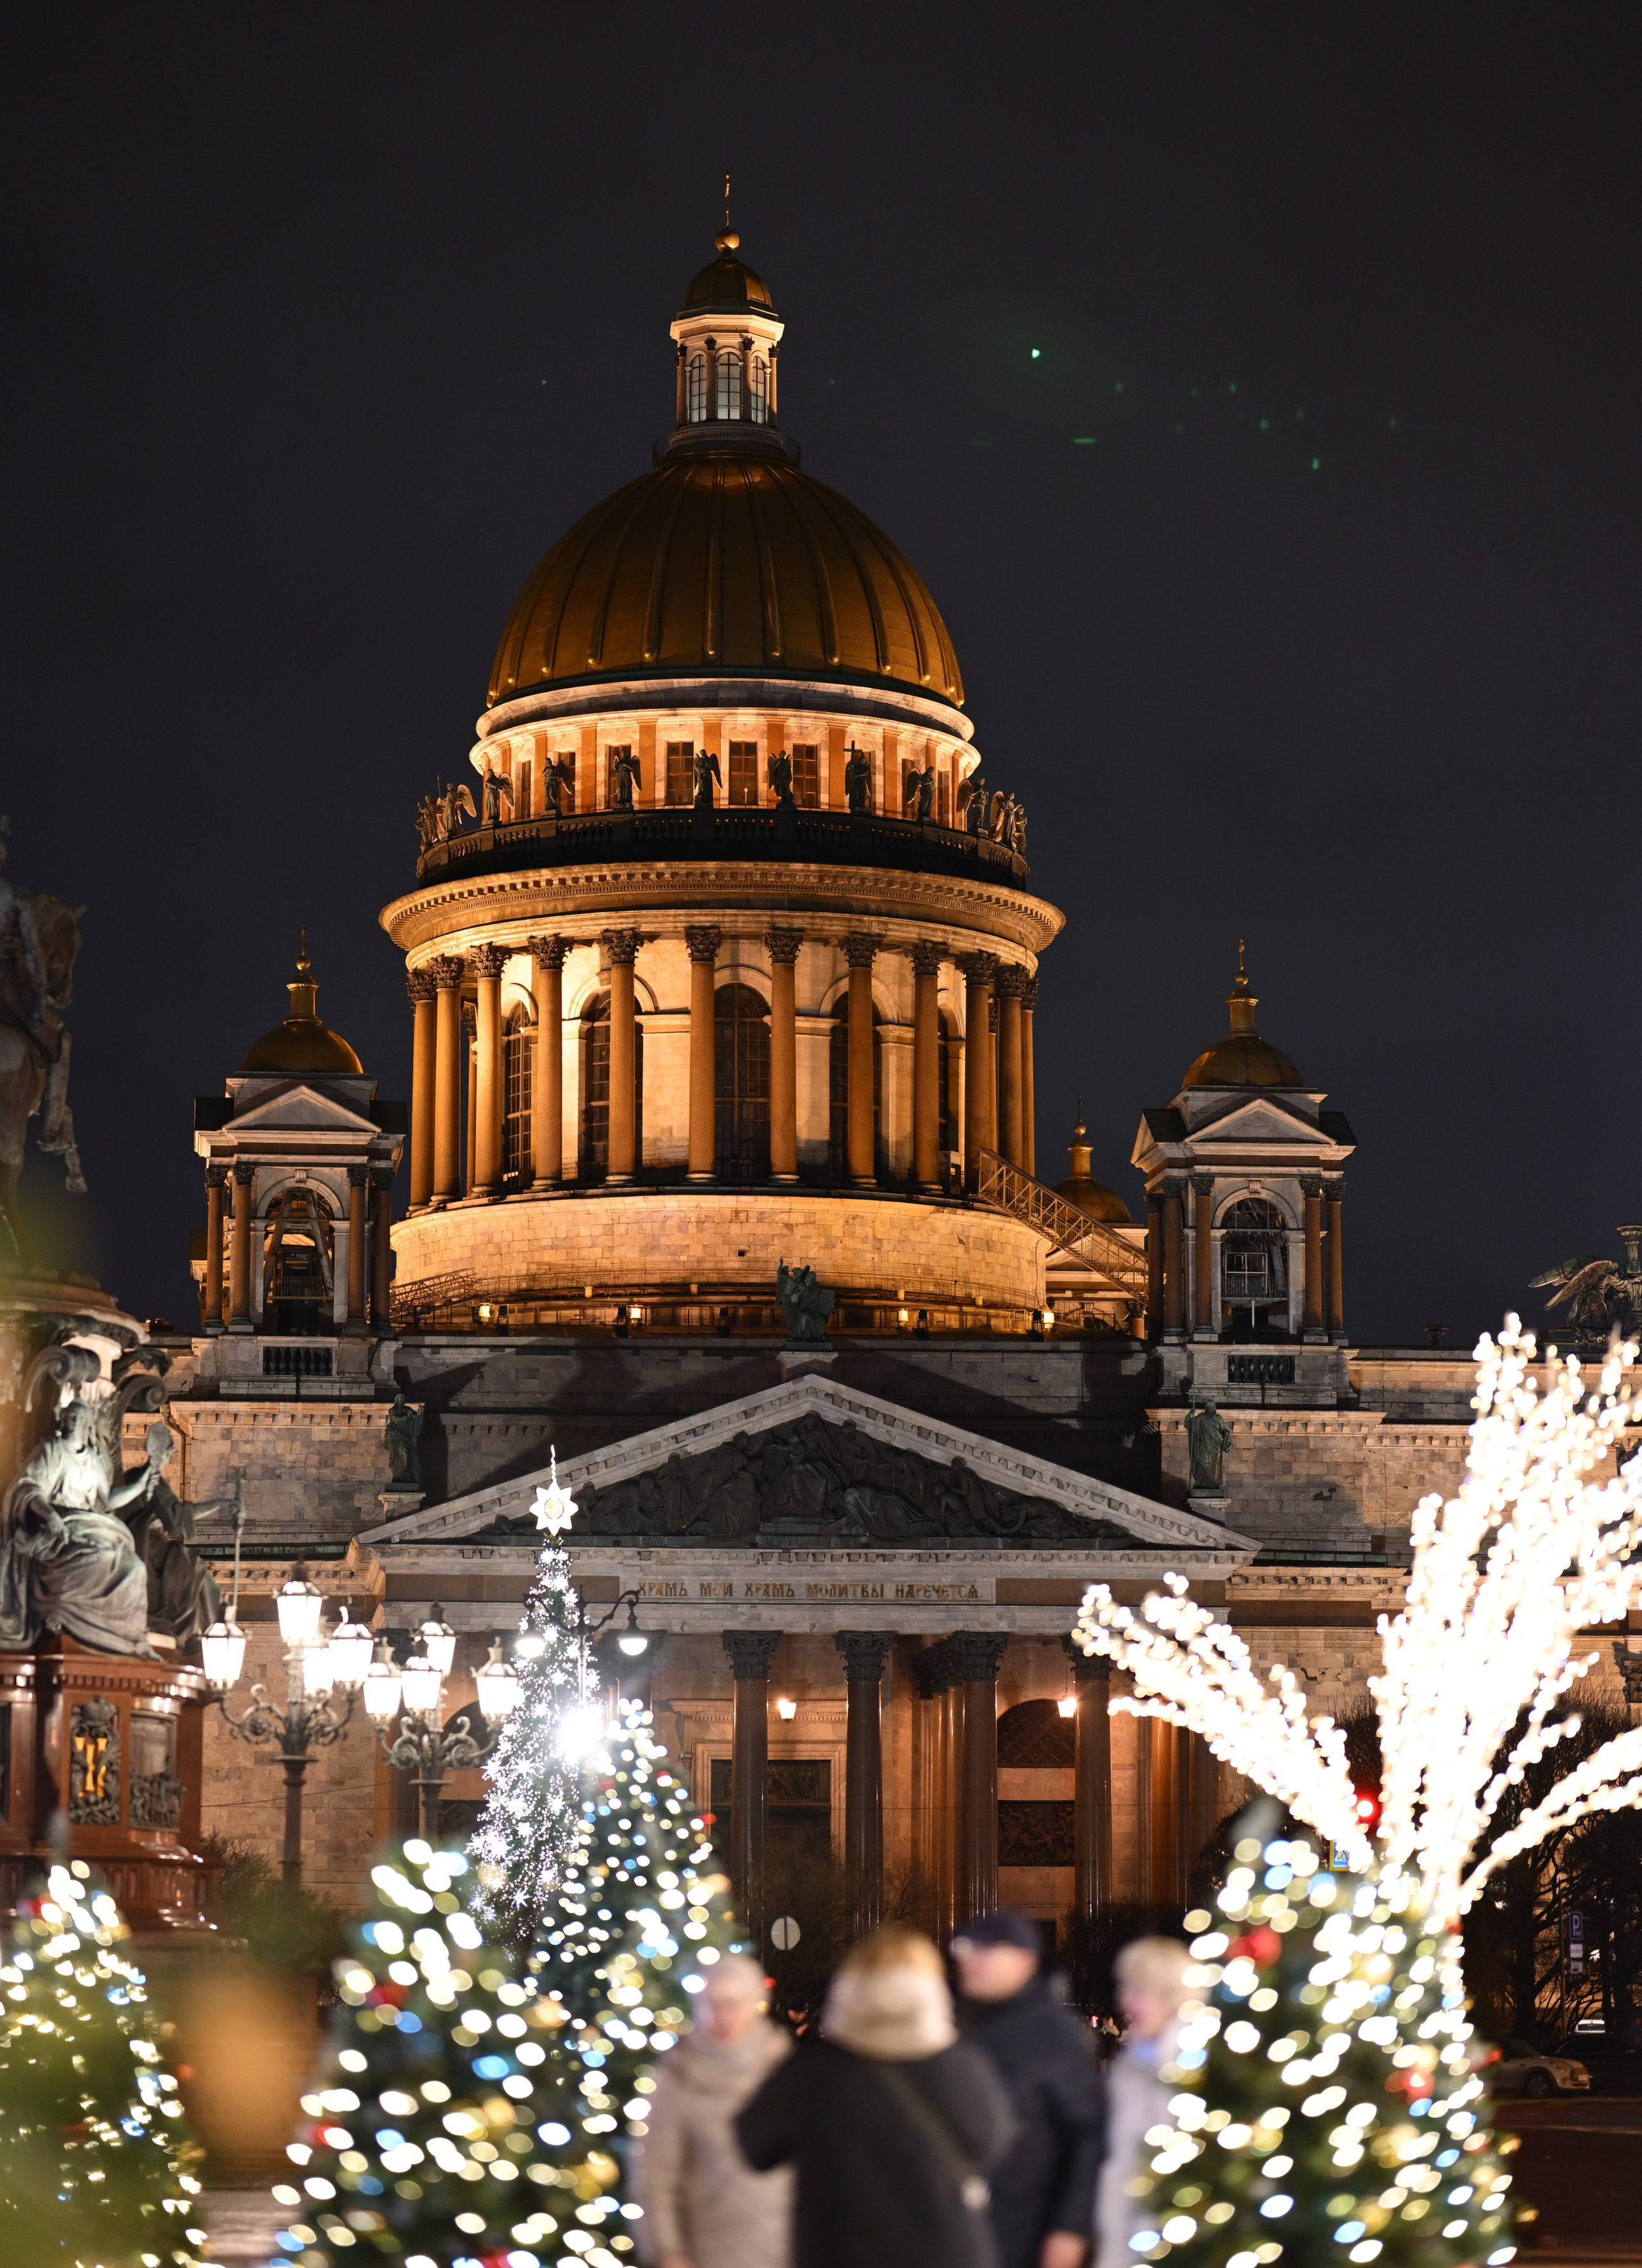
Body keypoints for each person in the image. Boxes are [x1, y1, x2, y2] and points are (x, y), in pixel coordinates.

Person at [736, 1923, 1017, 2268]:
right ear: (932, 1987)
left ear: (850, 1984)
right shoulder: (964, 2067)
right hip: (944, 2251)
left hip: (839, 2251)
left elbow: (754, 2144)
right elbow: (995, 2144)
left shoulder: (813, 2071)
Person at [952, 1910, 1103, 2268]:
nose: (968, 1959)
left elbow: (1087, 2137)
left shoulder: (1055, 2034)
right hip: (967, 2231)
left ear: (1025, 1960)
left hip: (1027, 2233)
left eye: (983, 1950)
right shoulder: (963, 2025)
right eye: (964, 1948)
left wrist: (1069, 2230)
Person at [632, 1951, 792, 2268]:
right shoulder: (679, 2074)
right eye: (711, 2004)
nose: (722, 2015)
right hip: (706, 2250)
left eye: (733, 2003)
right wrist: (668, 2251)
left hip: (784, 2247)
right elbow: (656, 2173)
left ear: (756, 2003)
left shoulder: (786, 2068)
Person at [1092, 1938, 1193, 2268]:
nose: (1125, 2003)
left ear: (1171, 1994)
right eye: (1125, 1990)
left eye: (1138, 1992)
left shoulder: (1193, 2067)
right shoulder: (1132, 2066)